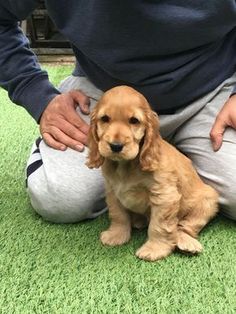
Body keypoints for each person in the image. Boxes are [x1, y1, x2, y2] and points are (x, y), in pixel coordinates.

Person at [1, 1, 236, 223]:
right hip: (102, 94)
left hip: (211, 90)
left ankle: (180, 155)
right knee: (60, 198)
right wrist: (37, 94)